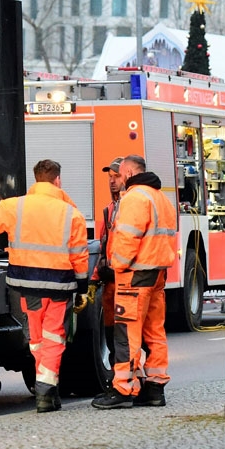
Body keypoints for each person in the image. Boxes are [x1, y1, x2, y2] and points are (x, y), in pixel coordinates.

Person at [0, 159, 88, 413]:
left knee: (37, 338)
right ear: (57, 181)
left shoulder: (15, 206)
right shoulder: (72, 214)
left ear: (35, 180)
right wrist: (82, 287)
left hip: (27, 285)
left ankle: (46, 386)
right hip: (58, 287)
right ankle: (46, 391)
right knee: (53, 337)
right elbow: (79, 255)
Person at [91, 154, 177, 409]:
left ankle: (123, 387)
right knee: (154, 332)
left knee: (127, 333)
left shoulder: (134, 198)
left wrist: (114, 267)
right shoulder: (161, 198)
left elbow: (127, 239)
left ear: (128, 173)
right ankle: (154, 386)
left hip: (134, 276)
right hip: (157, 274)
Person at [94, 156, 125, 363]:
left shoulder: (129, 207)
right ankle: (119, 381)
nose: (111, 181)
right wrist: (94, 278)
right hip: (110, 285)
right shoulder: (109, 209)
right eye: (109, 177)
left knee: (125, 339)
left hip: (125, 283)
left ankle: (127, 384)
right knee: (113, 340)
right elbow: (103, 246)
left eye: (116, 176)